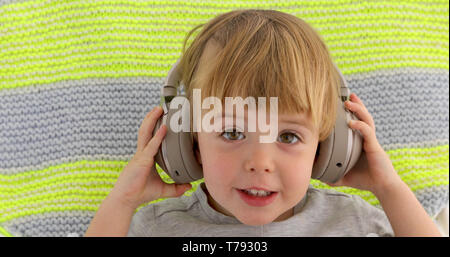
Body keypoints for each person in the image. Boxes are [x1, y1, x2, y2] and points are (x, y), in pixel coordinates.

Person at [85, 9, 441, 237]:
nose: (260, 161)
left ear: (329, 146)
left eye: (288, 136)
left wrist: (388, 188)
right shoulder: (155, 228)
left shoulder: (353, 222)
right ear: (187, 141)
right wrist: (123, 200)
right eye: (232, 132)